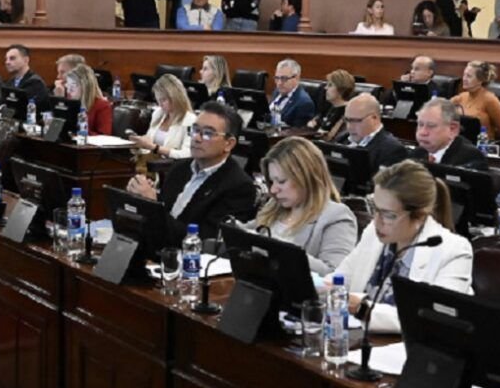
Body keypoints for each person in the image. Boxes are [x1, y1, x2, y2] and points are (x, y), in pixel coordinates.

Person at [332, 160, 473, 333]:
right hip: (359, 339)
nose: (377, 221)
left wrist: (363, 309)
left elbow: (433, 318)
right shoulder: (373, 234)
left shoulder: (454, 251)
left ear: (420, 216)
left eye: (388, 215)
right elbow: (339, 281)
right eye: (374, 208)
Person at [126, 101, 256, 245]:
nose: (196, 138)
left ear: (229, 144)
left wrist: (152, 206)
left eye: (208, 133)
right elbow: (166, 211)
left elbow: (204, 240)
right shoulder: (179, 167)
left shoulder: (239, 187)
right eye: (194, 130)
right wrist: (143, 197)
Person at [249, 137, 357, 275]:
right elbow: (250, 231)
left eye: (281, 181)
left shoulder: (337, 216)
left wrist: (280, 250)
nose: (273, 190)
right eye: (271, 181)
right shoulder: (275, 205)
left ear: (306, 177)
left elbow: (335, 273)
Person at [336, 93, 409, 175]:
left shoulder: (392, 150)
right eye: (347, 120)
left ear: (374, 118)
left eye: (356, 121)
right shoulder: (342, 139)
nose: (349, 127)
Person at [128, 73, 196, 159]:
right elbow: (148, 145)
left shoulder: (190, 120)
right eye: (158, 100)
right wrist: (140, 144)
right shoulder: (158, 113)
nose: (160, 104)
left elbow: (187, 154)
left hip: (170, 165)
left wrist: (155, 148)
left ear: (175, 97)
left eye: (163, 100)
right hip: (151, 162)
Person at [412, 98, 488, 171]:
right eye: (420, 124)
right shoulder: (418, 153)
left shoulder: (471, 157)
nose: (422, 132)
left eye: (431, 126)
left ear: (452, 129)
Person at [450, 61, 500, 140]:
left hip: (481, 143)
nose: (464, 79)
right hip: (460, 141)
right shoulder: (460, 98)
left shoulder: (490, 100)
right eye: (464, 75)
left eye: (469, 76)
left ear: (480, 80)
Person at [307, 69, 355, 142]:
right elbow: (313, 124)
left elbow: (331, 138)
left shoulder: (348, 112)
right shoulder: (328, 107)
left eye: (330, 85)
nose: (325, 88)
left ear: (341, 89)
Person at [65, 64, 113, 135]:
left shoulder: (102, 106)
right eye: (67, 86)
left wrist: (78, 130)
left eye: (72, 87)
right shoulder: (70, 103)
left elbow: (104, 136)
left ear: (85, 87)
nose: (68, 91)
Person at [270, 58, 315, 127]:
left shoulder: (304, 103)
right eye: (277, 78)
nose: (279, 83)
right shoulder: (277, 91)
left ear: (296, 78)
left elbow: (297, 131)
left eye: (284, 78)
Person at [4, 44, 50, 111]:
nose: (7, 62)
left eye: (12, 58)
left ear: (26, 60)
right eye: (6, 59)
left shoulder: (35, 83)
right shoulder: (10, 82)